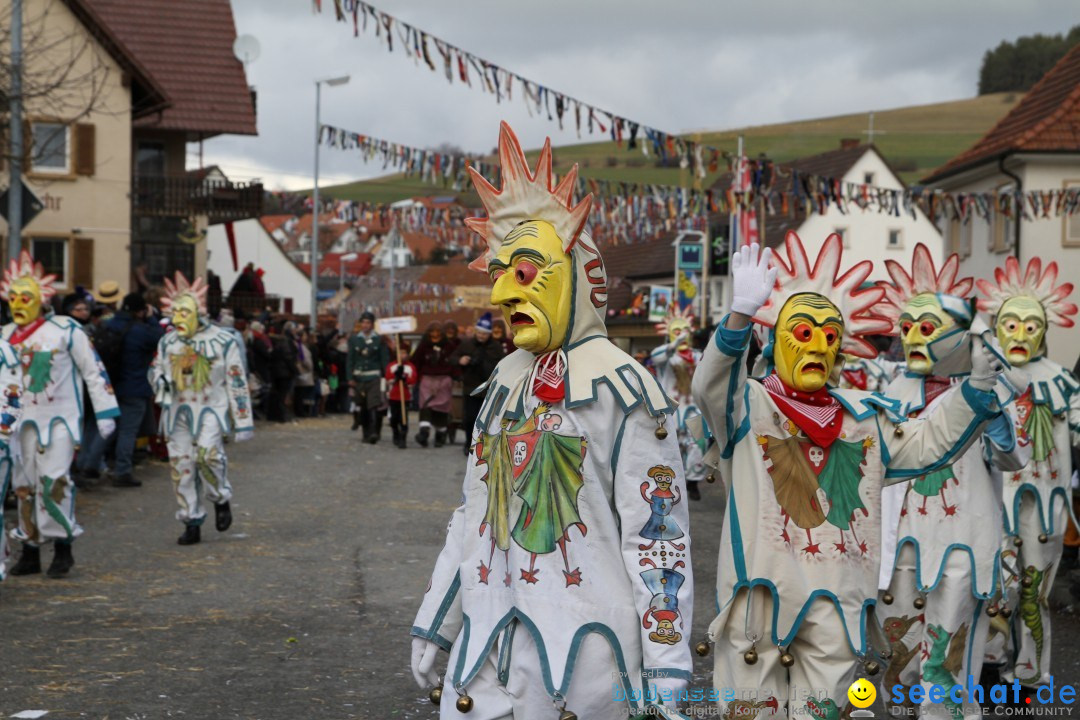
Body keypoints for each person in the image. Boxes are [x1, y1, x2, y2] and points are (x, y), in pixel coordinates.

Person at [411, 123, 691, 719]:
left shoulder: (625, 386)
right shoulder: (505, 379)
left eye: (526, 272)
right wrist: (437, 618)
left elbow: (658, 533)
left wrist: (667, 665)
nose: (502, 296)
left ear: (575, 274)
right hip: (487, 642)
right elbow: (474, 512)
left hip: (586, 655)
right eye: (498, 275)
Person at [691, 235, 1005, 719]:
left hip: (837, 601)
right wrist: (738, 318)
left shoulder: (862, 420)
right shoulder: (749, 408)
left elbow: (926, 445)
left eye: (830, 336)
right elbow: (710, 389)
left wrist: (977, 387)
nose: (818, 344)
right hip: (760, 600)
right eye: (802, 332)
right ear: (774, 341)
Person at [876, 244, 1028, 717]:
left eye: (928, 328)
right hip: (901, 544)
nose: (914, 337)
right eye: (907, 328)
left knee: (946, 662)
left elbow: (1010, 457)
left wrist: (994, 407)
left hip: (962, 541)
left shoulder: (986, 386)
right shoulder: (890, 392)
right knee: (898, 658)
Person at [976, 257, 1080, 692]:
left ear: (1045, 331)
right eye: (1011, 324)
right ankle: (988, 661)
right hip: (991, 502)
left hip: (1045, 508)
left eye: (1031, 326)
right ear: (997, 326)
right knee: (996, 589)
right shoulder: (982, 379)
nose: (1019, 334)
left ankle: (1028, 677)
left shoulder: (1061, 381)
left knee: (1036, 594)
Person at [3, 251, 119, 578]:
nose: (17, 303)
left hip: (58, 421)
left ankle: (63, 547)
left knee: (54, 481)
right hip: (18, 424)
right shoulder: (5, 336)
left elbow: (93, 370)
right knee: (23, 485)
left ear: (41, 299)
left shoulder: (66, 330)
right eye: (12, 297)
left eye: (25, 297)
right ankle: (30, 548)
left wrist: (105, 410)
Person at [149, 272, 253, 546]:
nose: (179, 318)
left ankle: (220, 497)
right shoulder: (167, 343)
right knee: (180, 464)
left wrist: (243, 421)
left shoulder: (223, 340)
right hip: (178, 411)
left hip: (211, 408)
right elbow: (155, 369)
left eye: (185, 312)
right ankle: (190, 519)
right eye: (175, 312)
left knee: (208, 456)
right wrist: (161, 380)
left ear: (199, 312)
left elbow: (236, 380)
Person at [77, 292, 164, 488]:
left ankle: (87, 464)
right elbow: (160, 338)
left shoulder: (108, 325)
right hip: (134, 387)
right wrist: (151, 318)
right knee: (127, 431)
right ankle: (122, 471)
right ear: (140, 311)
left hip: (110, 385)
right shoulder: (141, 330)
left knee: (103, 426)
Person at [650, 307, 707, 500]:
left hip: (694, 408)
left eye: (685, 331)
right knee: (671, 447)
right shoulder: (667, 356)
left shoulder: (699, 356)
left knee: (698, 445)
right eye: (677, 331)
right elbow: (656, 355)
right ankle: (672, 481)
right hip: (672, 410)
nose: (682, 335)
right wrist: (675, 343)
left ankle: (692, 483)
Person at [450, 312, 505, 456]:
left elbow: (502, 365)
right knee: (469, 419)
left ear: (489, 334)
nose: (481, 336)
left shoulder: (496, 347)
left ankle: (485, 445)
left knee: (488, 420)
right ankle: (469, 443)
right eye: (479, 333)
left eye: (484, 334)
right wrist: (460, 360)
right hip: (471, 387)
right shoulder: (467, 344)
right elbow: (453, 357)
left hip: (489, 389)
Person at [411, 322, 456, 448]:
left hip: (444, 380)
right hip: (427, 379)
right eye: (432, 333)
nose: (435, 335)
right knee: (425, 406)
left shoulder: (449, 346)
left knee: (441, 408)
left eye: (438, 333)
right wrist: (416, 376)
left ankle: (440, 435)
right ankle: (423, 432)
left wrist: (457, 375)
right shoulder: (423, 346)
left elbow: (454, 362)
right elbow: (415, 361)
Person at [347, 312, 390, 443]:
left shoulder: (379, 339)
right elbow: (350, 359)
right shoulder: (354, 339)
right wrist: (350, 377)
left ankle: (374, 432)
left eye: (368, 323)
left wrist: (387, 376)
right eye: (363, 322)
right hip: (359, 377)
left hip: (374, 376)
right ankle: (366, 433)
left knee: (374, 404)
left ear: (372, 324)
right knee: (363, 405)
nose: (365, 325)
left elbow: (384, 359)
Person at [385, 340, 418, 449]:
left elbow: (412, 382)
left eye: (404, 353)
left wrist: (404, 379)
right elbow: (388, 379)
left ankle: (403, 438)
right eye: (400, 352)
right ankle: (395, 433)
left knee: (403, 418)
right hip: (394, 396)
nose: (402, 355)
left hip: (405, 396)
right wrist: (396, 377)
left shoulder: (411, 367)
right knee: (394, 418)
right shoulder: (391, 366)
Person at [294, 329, 316, 418]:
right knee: (300, 393)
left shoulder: (300, 345)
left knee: (300, 393)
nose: (306, 337)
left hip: (303, 371)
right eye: (304, 336)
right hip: (303, 372)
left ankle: (300, 410)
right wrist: (310, 367)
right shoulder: (299, 346)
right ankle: (300, 411)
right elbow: (304, 359)